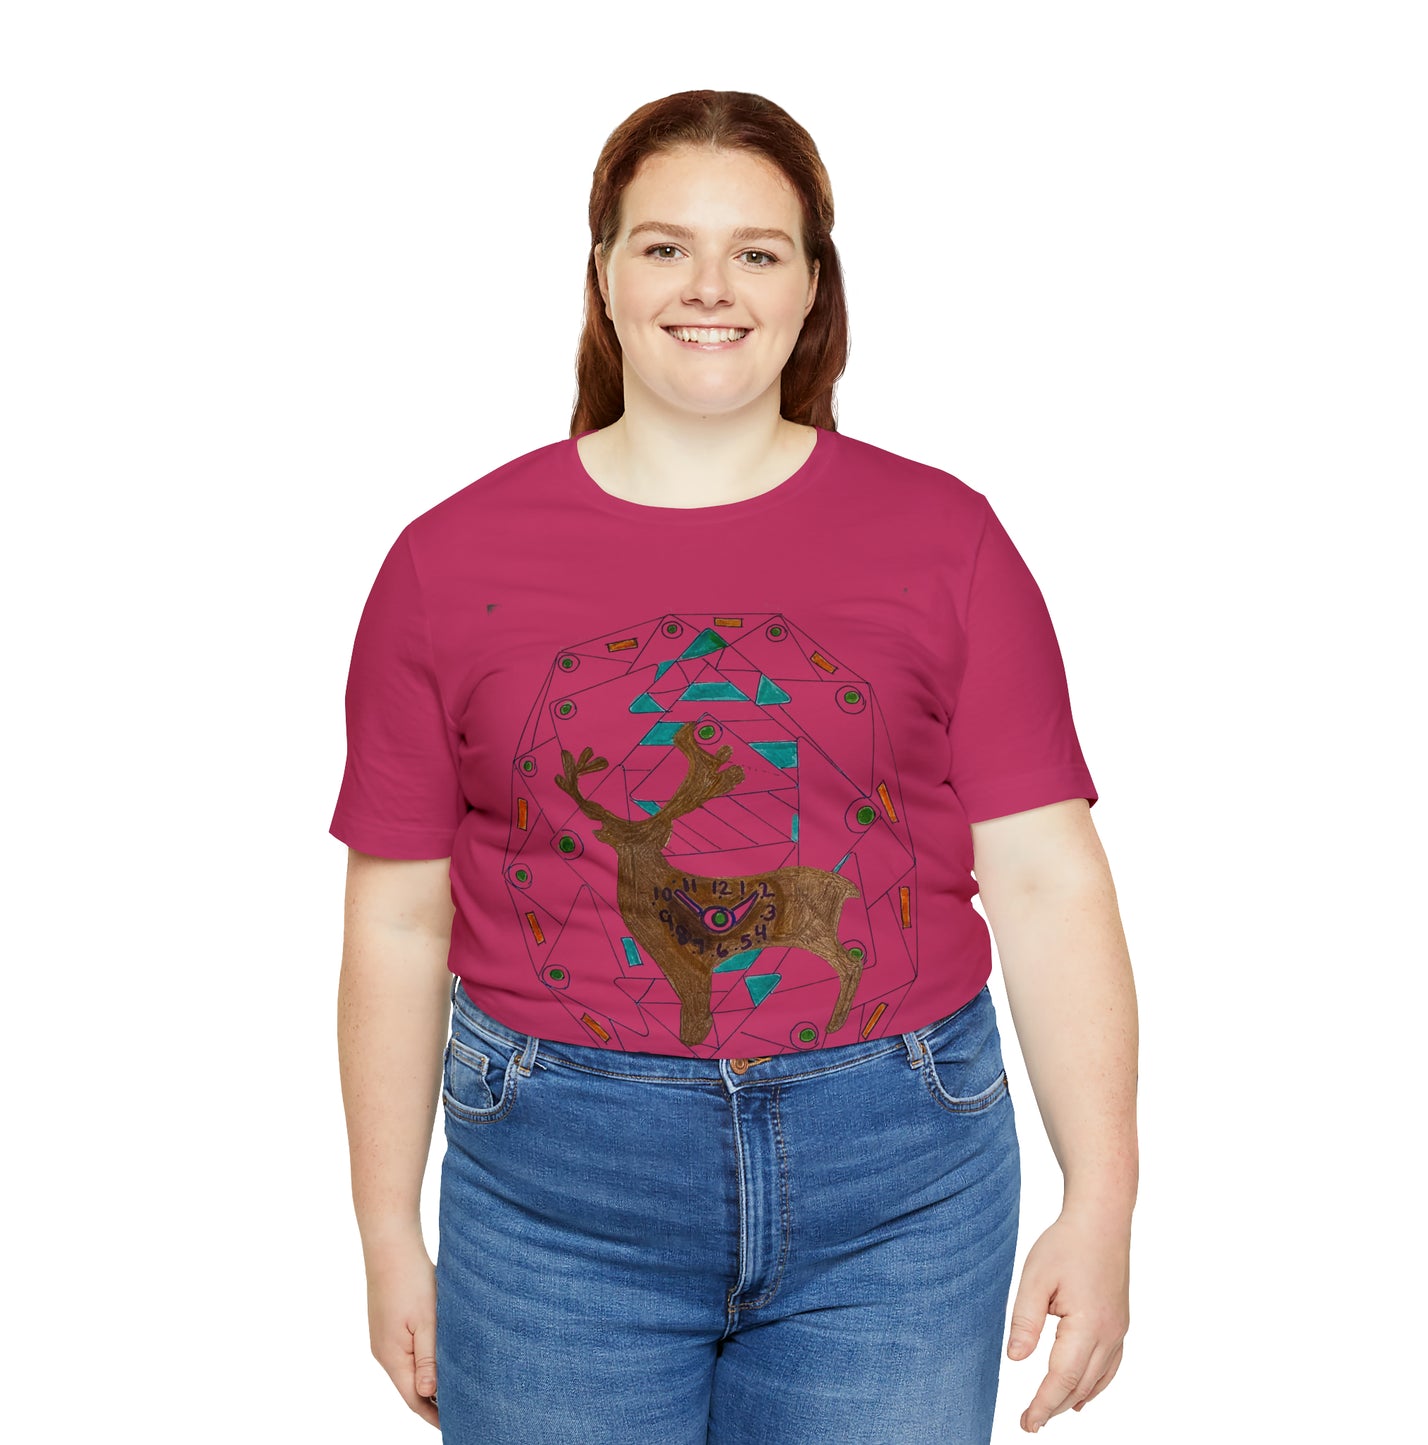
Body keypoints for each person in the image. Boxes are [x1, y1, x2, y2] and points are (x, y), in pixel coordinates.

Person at [331, 89, 1138, 1443]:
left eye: (756, 251)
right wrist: (384, 1234)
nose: (708, 287)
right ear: (603, 274)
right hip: (555, 1202)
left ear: (812, 286)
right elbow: (398, 920)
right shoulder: (446, 561)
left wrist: (1102, 1200)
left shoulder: (945, 539)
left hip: (899, 1190)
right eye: (665, 246)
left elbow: (1048, 881)